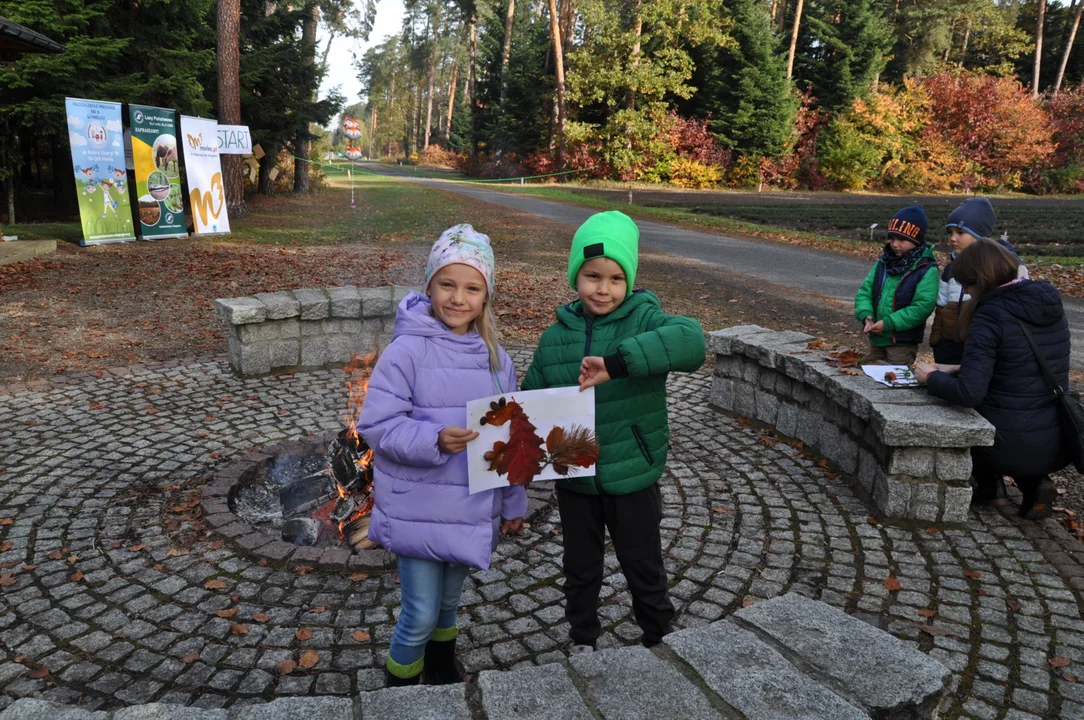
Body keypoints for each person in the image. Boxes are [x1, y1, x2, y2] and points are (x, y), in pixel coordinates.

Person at [522, 210, 705, 654]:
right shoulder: (554, 338)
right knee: (580, 568)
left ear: (629, 281)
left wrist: (618, 364)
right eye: (591, 276)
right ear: (575, 277)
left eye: (615, 278)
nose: (603, 289)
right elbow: (528, 403)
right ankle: (583, 637)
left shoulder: (645, 320)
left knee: (643, 564)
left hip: (631, 476)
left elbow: (692, 341)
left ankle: (660, 637)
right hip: (576, 479)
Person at [357, 224, 526, 687]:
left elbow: (512, 440)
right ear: (429, 285)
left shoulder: (497, 359)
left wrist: (512, 502)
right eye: (447, 285)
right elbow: (377, 425)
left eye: (472, 288)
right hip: (419, 510)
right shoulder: (406, 351)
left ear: (487, 295)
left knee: (449, 607)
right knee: (418, 614)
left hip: (472, 507)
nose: (458, 298)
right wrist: (433, 439)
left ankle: (442, 672)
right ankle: (400, 693)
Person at [915, 239, 1070, 519]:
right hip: (1056, 436)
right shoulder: (1047, 301)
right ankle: (1036, 481)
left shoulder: (990, 315)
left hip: (1003, 442)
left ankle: (991, 486)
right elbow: (1018, 367)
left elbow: (969, 393)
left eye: (968, 285)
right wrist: (959, 367)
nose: (965, 291)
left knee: (957, 408)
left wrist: (933, 377)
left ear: (981, 281)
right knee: (1015, 407)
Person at [931, 197, 1028, 364]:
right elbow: (941, 306)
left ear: (980, 236)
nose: (953, 238)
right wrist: (938, 340)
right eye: (950, 232)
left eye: (960, 233)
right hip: (949, 348)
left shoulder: (1004, 268)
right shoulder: (950, 269)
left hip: (981, 348)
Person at [854, 205, 939, 366]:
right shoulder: (883, 263)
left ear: (916, 240)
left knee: (894, 380)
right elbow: (865, 292)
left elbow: (922, 306)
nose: (895, 244)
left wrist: (889, 323)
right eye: (892, 238)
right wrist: (866, 314)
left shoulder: (926, 269)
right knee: (870, 379)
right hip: (877, 338)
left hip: (901, 343)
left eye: (902, 239)